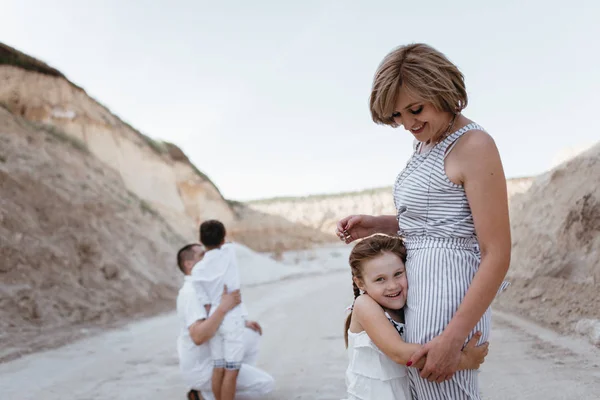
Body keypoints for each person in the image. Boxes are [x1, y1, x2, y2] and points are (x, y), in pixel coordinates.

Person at [337, 43, 511, 399]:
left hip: (448, 296)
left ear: (442, 90)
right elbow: (436, 223)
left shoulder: (474, 145)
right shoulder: (425, 144)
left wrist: (453, 338)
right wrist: (378, 224)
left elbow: (497, 253)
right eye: (398, 116)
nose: (408, 124)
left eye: (415, 109)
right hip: (421, 289)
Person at [344, 234, 488, 400]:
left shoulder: (408, 307)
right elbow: (400, 353)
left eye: (398, 274)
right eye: (380, 279)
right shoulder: (364, 305)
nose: (392, 286)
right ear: (360, 283)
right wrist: (464, 361)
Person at [176, 243, 274, 400]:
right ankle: (203, 395)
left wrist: (241, 323)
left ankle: (233, 380)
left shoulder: (203, 284)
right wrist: (223, 308)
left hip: (212, 356)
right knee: (265, 386)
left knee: (250, 333)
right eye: (202, 255)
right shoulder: (190, 292)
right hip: (202, 367)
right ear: (189, 265)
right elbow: (198, 337)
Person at [191, 220, 247, 400]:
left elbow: (205, 303)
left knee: (218, 366)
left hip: (214, 316)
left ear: (201, 240)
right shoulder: (229, 252)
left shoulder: (198, 270)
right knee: (231, 371)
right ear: (223, 239)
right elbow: (226, 243)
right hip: (233, 316)